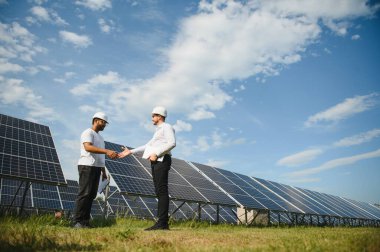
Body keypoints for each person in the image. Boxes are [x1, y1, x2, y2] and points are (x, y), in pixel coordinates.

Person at [118, 106, 176, 230]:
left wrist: (157, 153)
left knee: (162, 190)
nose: (152, 118)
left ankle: (162, 223)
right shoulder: (158, 131)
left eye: (153, 116)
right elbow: (147, 146)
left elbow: (172, 143)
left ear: (160, 116)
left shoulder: (167, 127)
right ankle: (162, 222)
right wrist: (130, 152)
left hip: (162, 160)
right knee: (159, 191)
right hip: (156, 161)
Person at [73, 112, 118, 228]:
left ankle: (85, 222)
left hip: (97, 168)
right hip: (87, 165)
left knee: (91, 194)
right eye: (103, 122)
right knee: (84, 193)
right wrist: (107, 151)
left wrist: (103, 172)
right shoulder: (87, 132)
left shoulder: (101, 138)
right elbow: (88, 147)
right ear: (96, 120)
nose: (104, 125)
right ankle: (78, 222)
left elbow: (100, 156)